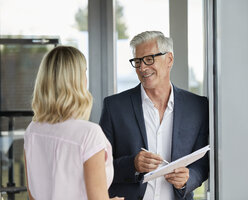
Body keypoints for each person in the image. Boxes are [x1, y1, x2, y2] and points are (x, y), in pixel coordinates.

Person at [100, 31, 209, 200]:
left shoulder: (197, 106)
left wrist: (189, 178)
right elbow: (100, 165)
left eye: (149, 59)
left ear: (169, 60)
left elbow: (204, 161)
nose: (142, 68)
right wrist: (133, 164)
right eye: (137, 61)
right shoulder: (114, 107)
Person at [24, 46, 123, 200]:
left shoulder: (33, 130)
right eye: (84, 72)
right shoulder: (89, 134)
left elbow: (33, 196)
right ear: (77, 81)